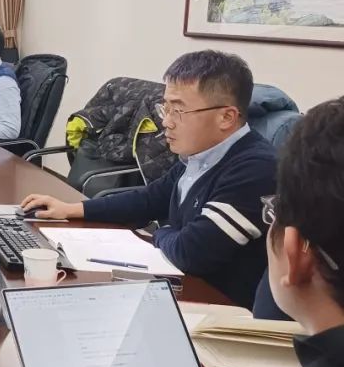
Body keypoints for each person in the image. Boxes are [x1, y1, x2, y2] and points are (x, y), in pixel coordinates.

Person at [65, 97, 344, 367]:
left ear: (296, 252)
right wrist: (79, 208)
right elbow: (152, 197)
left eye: (271, 213)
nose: (167, 122)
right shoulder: (194, 160)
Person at [22, 50, 276, 311]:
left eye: (178, 110)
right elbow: (150, 199)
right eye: (165, 108)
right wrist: (71, 209)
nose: (166, 122)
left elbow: (191, 253)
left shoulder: (255, 169)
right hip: (178, 289)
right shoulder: (201, 155)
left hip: (219, 312)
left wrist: (158, 233)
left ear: (227, 117)